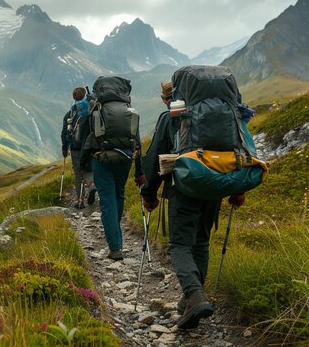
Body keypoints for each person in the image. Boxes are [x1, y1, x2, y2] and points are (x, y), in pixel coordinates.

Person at [140, 80, 246, 329]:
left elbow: (155, 157)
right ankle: (190, 299)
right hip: (214, 186)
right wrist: (238, 188)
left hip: (184, 187)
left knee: (179, 245)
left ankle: (195, 296)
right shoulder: (227, 116)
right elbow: (241, 150)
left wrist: (149, 193)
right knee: (201, 241)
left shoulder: (173, 118)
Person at [84, 77, 144, 261]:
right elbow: (137, 140)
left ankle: (115, 247)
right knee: (119, 194)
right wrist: (139, 171)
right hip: (125, 158)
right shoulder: (128, 107)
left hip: (101, 159)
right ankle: (115, 237)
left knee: (107, 200)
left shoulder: (96, 106)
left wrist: (85, 168)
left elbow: (86, 136)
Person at [61, 87, 89, 209]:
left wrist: (64, 147)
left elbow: (64, 132)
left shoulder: (70, 113)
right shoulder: (90, 110)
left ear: (74, 97)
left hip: (75, 148)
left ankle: (80, 200)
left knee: (78, 173)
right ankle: (92, 187)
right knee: (88, 170)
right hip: (89, 147)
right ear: (85, 95)